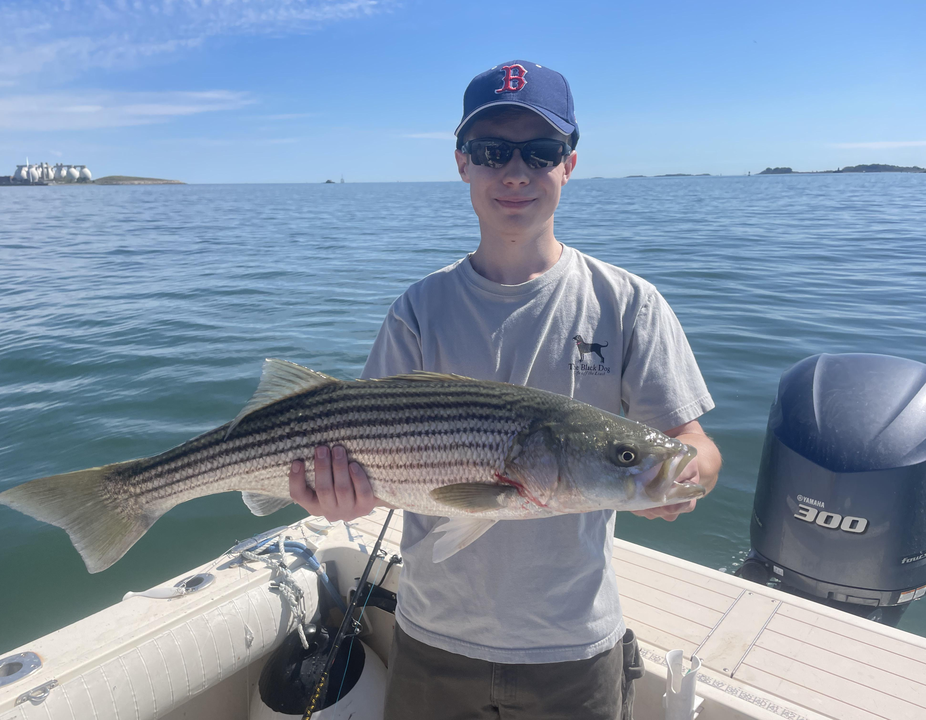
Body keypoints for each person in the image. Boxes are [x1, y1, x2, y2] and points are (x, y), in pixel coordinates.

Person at [288, 60, 722, 720]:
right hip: (434, 641)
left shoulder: (628, 302)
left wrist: (685, 479)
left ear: (569, 163)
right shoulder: (418, 309)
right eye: (492, 152)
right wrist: (334, 495)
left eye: (541, 151)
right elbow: (363, 445)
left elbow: (690, 445)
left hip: (575, 649)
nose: (515, 172)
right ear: (463, 163)